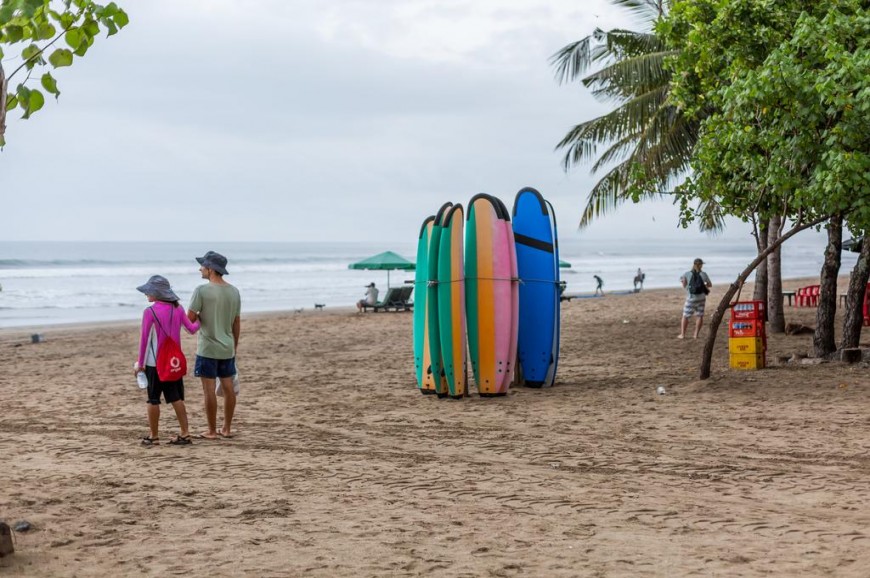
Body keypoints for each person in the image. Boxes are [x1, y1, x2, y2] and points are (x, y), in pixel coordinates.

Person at [135, 275, 200, 446]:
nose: (146, 294)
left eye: (148, 291)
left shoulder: (149, 312)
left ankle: (154, 436)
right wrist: (200, 318)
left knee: (153, 399)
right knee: (176, 398)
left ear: (156, 293)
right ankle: (185, 434)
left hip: (153, 363)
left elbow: (145, 340)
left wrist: (140, 364)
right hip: (173, 362)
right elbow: (192, 329)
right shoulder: (177, 309)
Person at [188, 251, 241, 440]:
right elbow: (236, 322)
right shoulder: (234, 291)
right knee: (228, 388)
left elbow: (190, 319)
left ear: (210, 269)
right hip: (227, 347)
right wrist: (234, 345)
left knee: (208, 390)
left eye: (202, 265)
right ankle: (226, 428)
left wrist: (202, 316)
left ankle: (211, 431)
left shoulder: (201, 291)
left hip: (208, 348)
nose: (200, 268)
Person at [679, 258, 712, 339]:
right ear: (701, 265)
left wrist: (688, 288)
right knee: (699, 316)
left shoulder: (686, 274)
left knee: (685, 316)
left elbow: (684, 285)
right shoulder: (704, 274)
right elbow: (710, 285)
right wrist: (702, 286)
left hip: (691, 298)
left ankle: (683, 335)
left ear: (693, 264)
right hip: (701, 298)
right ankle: (695, 335)